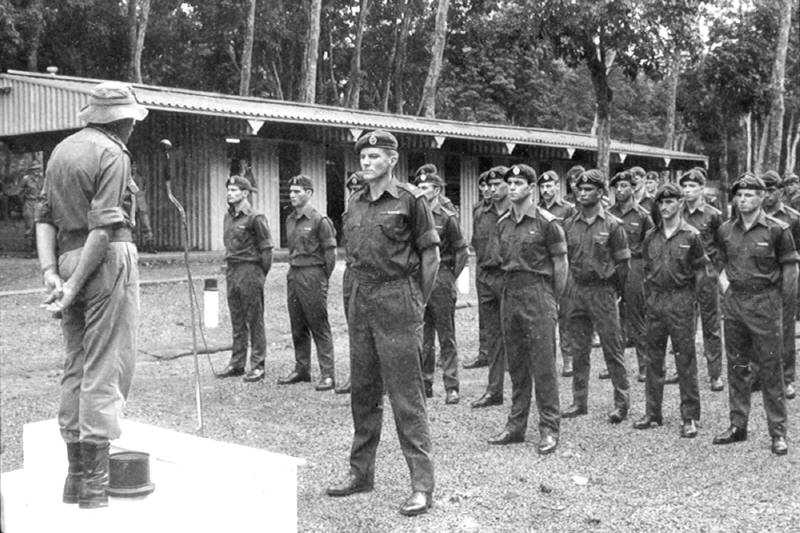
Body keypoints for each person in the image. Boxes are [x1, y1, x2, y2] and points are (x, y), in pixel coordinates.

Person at [35, 81, 148, 508]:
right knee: (107, 364)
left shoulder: (62, 150)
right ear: (122, 121)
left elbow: (44, 216)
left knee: (77, 364)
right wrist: (77, 284)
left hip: (65, 257)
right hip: (103, 259)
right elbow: (103, 227)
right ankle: (96, 488)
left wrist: (52, 274)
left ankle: (75, 478)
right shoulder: (113, 152)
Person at [326, 130, 440, 516]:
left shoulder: (410, 201)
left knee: (407, 396)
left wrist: (416, 303)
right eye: (364, 156)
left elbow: (431, 257)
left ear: (392, 160)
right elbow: (351, 258)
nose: (367, 162)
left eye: (376, 156)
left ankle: (422, 486)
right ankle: (361, 473)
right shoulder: (355, 202)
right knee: (363, 391)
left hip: (397, 298)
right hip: (362, 298)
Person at [712, 174, 797, 456]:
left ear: (762, 197)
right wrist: (727, 292)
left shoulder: (777, 230)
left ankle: (778, 432)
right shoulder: (726, 230)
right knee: (737, 367)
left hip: (765, 303)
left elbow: (790, 271)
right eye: (739, 195)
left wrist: (782, 305)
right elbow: (720, 264)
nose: (743, 199)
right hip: (736, 302)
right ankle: (738, 425)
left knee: (771, 370)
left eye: (749, 195)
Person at [487, 164, 567, 454]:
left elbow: (561, 264)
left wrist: (552, 300)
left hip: (538, 292)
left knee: (543, 364)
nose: (513, 187)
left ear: (531, 188)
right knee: (517, 365)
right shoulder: (503, 222)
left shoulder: (547, 222)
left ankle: (549, 428)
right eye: (510, 182)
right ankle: (516, 426)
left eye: (519, 182)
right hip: (511, 292)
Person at [634, 183, 708, 438]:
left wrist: (691, 300)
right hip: (655, 301)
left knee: (685, 360)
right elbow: (645, 268)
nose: (665, 207)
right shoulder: (651, 237)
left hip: (681, 301)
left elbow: (701, 271)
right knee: (653, 358)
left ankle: (689, 417)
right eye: (661, 203)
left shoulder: (691, 236)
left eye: (670, 202)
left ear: (680, 203)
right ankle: (653, 412)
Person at [561, 169, 631, 424]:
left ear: (601, 193)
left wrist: (616, 292)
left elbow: (623, 265)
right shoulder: (569, 224)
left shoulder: (613, 225)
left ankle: (621, 403)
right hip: (577, 290)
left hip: (603, 291)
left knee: (613, 348)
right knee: (579, 349)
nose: (582, 193)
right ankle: (579, 401)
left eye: (588, 189)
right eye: (579, 189)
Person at [277, 175, 338, 390]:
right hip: (294, 273)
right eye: (291, 191)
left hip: (312, 274)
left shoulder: (319, 220)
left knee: (318, 325)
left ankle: (328, 374)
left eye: (297, 192)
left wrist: (321, 279)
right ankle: (302, 369)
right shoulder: (290, 220)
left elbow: (330, 255)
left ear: (309, 194)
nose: (292, 195)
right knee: (297, 325)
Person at [414, 171, 468, 404]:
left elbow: (462, 252)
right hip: (420, 279)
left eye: (425, 187)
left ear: (436, 190)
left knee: (446, 335)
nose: (421, 191)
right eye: (419, 187)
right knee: (423, 337)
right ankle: (425, 384)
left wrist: (449, 276)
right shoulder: (415, 217)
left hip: (442, 278)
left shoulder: (447, 218)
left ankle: (451, 386)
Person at [216, 175, 273, 383]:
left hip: (250, 271)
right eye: (229, 190)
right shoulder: (228, 217)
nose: (230, 193)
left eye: (234, 190)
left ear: (245, 193)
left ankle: (258, 365)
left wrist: (259, 275)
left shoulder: (255, 218)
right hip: (233, 271)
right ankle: (237, 363)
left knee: (254, 320)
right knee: (237, 319)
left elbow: (267, 250)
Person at [469, 166, 511, 409]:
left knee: (515, 335)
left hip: (508, 278)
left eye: (498, 185)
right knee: (493, 336)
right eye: (490, 186)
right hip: (486, 277)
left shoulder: (515, 213)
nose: (493, 190)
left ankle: (523, 390)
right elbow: (476, 244)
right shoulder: (480, 213)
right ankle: (494, 390)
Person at [680, 169, 724, 391]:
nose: (688, 191)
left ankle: (715, 374)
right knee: (684, 326)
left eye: (692, 187)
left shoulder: (713, 215)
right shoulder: (677, 213)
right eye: (685, 187)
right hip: (683, 275)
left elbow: (722, 245)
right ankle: (686, 372)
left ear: (701, 188)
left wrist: (716, 271)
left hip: (706, 274)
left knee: (711, 325)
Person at [609, 170, 654, 382]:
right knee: (614, 319)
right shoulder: (608, 214)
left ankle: (644, 365)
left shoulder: (643, 216)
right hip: (613, 267)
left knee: (637, 318)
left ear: (633, 188)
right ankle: (615, 366)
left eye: (624, 186)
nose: (619, 190)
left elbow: (652, 246)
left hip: (635, 267)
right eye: (617, 187)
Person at [759, 170, 799, 400]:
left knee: (785, 329)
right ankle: (758, 375)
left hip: (784, 279)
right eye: (764, 191)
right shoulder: (754, 217)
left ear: (781, 191)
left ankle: (787, 378)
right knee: (757, 329)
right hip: (761, 279)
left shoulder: (793, 219)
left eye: (772, 190)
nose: (768, 196)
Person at [538, 169, 576, 377]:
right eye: (542, 187)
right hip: (544, 267)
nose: (545, 190)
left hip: (563, 265)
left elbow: (572, 239)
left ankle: (568, 358)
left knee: (566, 313)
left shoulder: (568, 210)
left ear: (557, 187)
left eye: (549, 186)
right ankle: (548, 359)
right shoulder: (537, 210)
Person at [336, 170, 366, 395]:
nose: (354, 193)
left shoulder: (372, 213)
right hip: (351, 274)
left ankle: (381, 378)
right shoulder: (348, 216)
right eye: (351, 190)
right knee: (355, 328)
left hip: (370, 276)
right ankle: (357, 376)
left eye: (358, 189)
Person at [463, 170, 494, 370]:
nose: (485, 190)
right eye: (481, 186)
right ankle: (484, 353)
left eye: (488, 186)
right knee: (484, 313)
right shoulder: (477, 209)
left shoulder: (502, 210)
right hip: (482, 265)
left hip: (497, 266)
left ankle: (504, 356)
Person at [131, 162, 155, 253]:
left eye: (134, 167)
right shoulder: (127, 178)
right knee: (132, 227)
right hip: (132, 205)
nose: (133, 169)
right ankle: (134, 246)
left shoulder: (140, 178)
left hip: (141, 204)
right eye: (131, 167)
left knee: (146, 225)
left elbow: (143, 190)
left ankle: (150, 245)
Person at [20, 160, 43, 254]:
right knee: (29, 227)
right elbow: (20, 192)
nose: (37, 171)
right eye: (35, 169)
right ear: (31, 170)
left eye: (38, 168)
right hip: (29, 203)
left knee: (40, 227)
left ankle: (37, 251)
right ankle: (28, 251)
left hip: (39, 204)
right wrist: (24, 202)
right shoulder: (26, 179)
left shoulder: (42, 179)